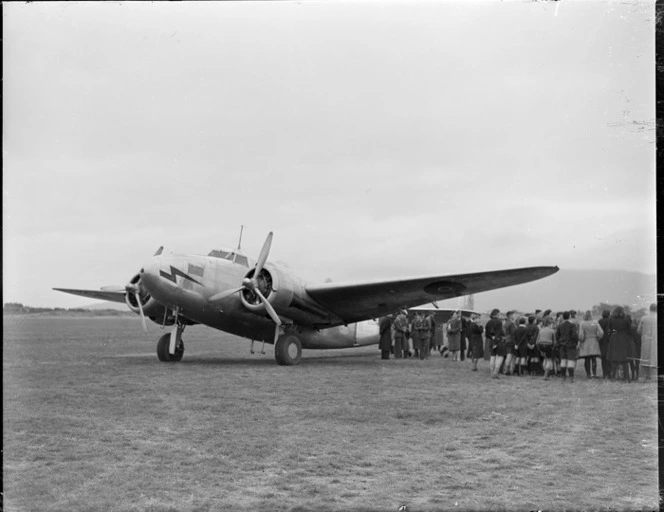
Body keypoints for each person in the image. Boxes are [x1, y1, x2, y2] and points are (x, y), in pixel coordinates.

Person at [606, 306, 632, 382]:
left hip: (614, 338)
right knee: (624, 359)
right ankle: (627, 378)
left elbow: (609, 330)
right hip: (623, 338)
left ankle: (613, 377)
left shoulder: (612, 319)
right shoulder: (626, 320)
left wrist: (611, 335)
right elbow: (629, 330)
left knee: (614, 359)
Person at [578, 310, 603, 378]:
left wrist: (581, 340)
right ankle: (594, 373)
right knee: (594, 358)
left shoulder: (582, 323)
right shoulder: (595, 322)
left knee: (587, 359)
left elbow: (580, 334)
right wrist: (598, 338)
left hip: (586, 341)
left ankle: (588, 374)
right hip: (594, 341)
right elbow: (601, 332)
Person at [555, 311, 579, 382]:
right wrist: (576, 342)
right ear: (569, 317)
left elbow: (557, 336)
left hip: (562, 345)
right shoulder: (572, 325)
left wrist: (559, 342)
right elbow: (574, 335)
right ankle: (571, 378)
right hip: (571, 345)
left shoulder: (560, 326)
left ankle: (563, 377)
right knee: (571, 361)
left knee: (563, 361)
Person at [637, 303, 658, 380]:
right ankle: (654, 377)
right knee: (655, 358)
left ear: (649, 309)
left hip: (646, 341)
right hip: (656, 342)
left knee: (645, 359)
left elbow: (639, 331)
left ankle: (643, 377)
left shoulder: (644, 318)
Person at [485, 308, 505, 379]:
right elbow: (499, 333)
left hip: (491, 340)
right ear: (496, 314)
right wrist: (495, 342)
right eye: (499, 314)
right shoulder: (499, 322)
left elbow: (486, 334)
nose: (500, 315)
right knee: (500, 357)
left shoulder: (488, 322)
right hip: (499, 341)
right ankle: (495, 372)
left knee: (492, 357)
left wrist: (492, 338)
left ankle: (491, 372)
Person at [536, 316, 557, 380]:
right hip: (548, 346)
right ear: (550, 324)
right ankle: (545, 375)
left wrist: (539, 349)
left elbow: (537, 342)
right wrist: (552, 348)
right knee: (549, 360)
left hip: (540, 345)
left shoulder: (541, 330)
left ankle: (544, 373)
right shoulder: (552, 331)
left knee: (545, 359)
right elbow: (554, 342)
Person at [598, 310, 611, 379]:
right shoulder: (610, 320)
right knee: (609, 358)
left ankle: (604, 373)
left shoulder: (600, 321)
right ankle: (609, 373)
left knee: (603, 359)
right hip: (609, 340)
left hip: (602, 341)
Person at [503, 311, 517, 375]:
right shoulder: (511, 324)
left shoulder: (505, 323)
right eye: (513, 315)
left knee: (508, 354)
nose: (514, 316)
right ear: (510, 315)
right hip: (511, 340)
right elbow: (513, 333)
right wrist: (515, 342)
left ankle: (506, 369)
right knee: (511, 355)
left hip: (507, 340)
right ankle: (509, 369)